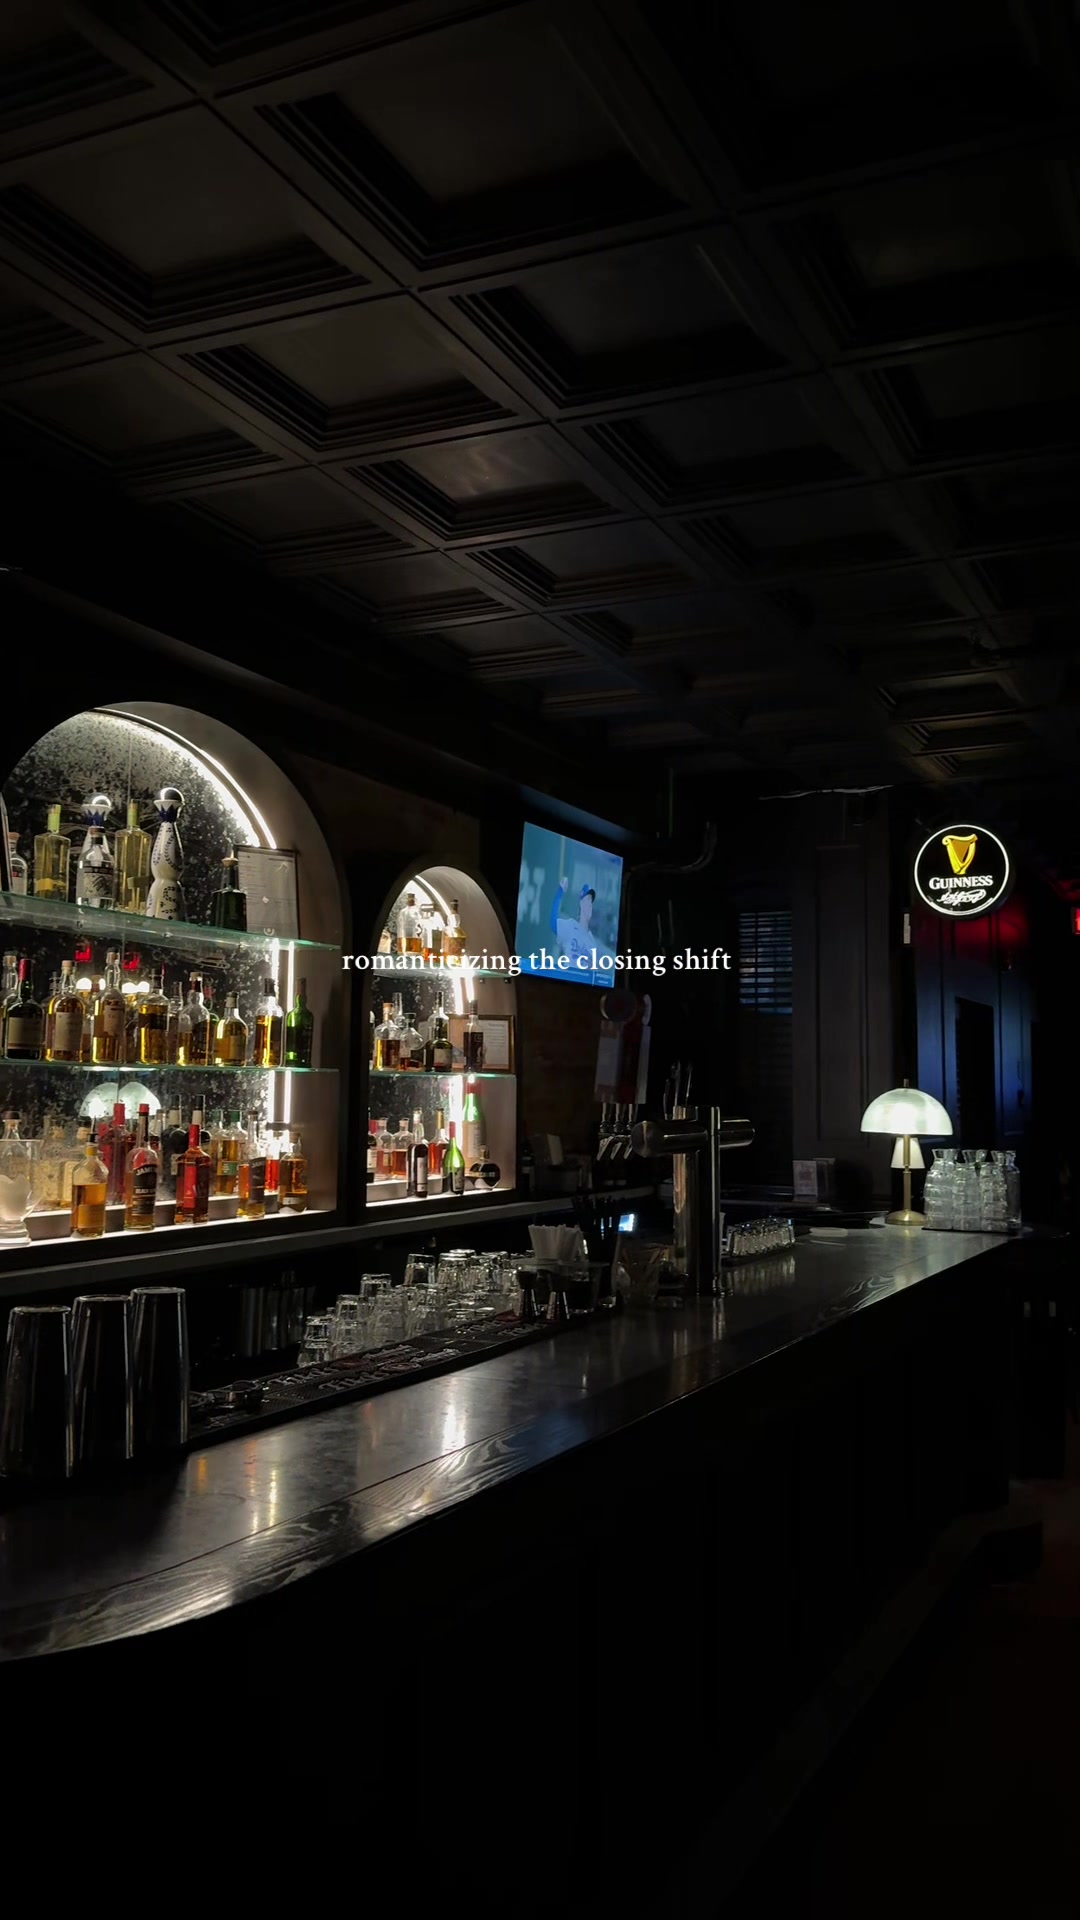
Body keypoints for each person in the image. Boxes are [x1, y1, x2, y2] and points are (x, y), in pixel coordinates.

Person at [549, 877, 614, 979]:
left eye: (591, 902)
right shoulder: (570, 926)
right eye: (587, 899)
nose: (590, 905)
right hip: (566, 979)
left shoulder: (592, 941)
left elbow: (593, 972)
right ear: (581, 903)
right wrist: (560, 892)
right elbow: (553, 923)